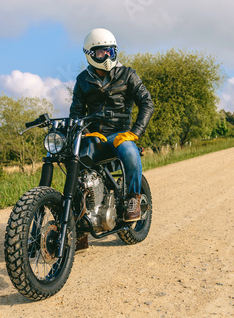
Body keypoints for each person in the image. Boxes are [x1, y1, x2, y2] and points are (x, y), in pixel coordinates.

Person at [70, 28, 154, 223]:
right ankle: (80, 217)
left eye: (110, 52)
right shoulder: (82, 80)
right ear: (90, 54)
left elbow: (147, 103)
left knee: (130, 152)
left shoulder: (128, 74)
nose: (107, 56)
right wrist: (87, 132)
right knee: (75, 161)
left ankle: (133, 198)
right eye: (101, 52)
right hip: (93, 135)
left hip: (120, 134)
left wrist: (135, 133)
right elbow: (76, 112)